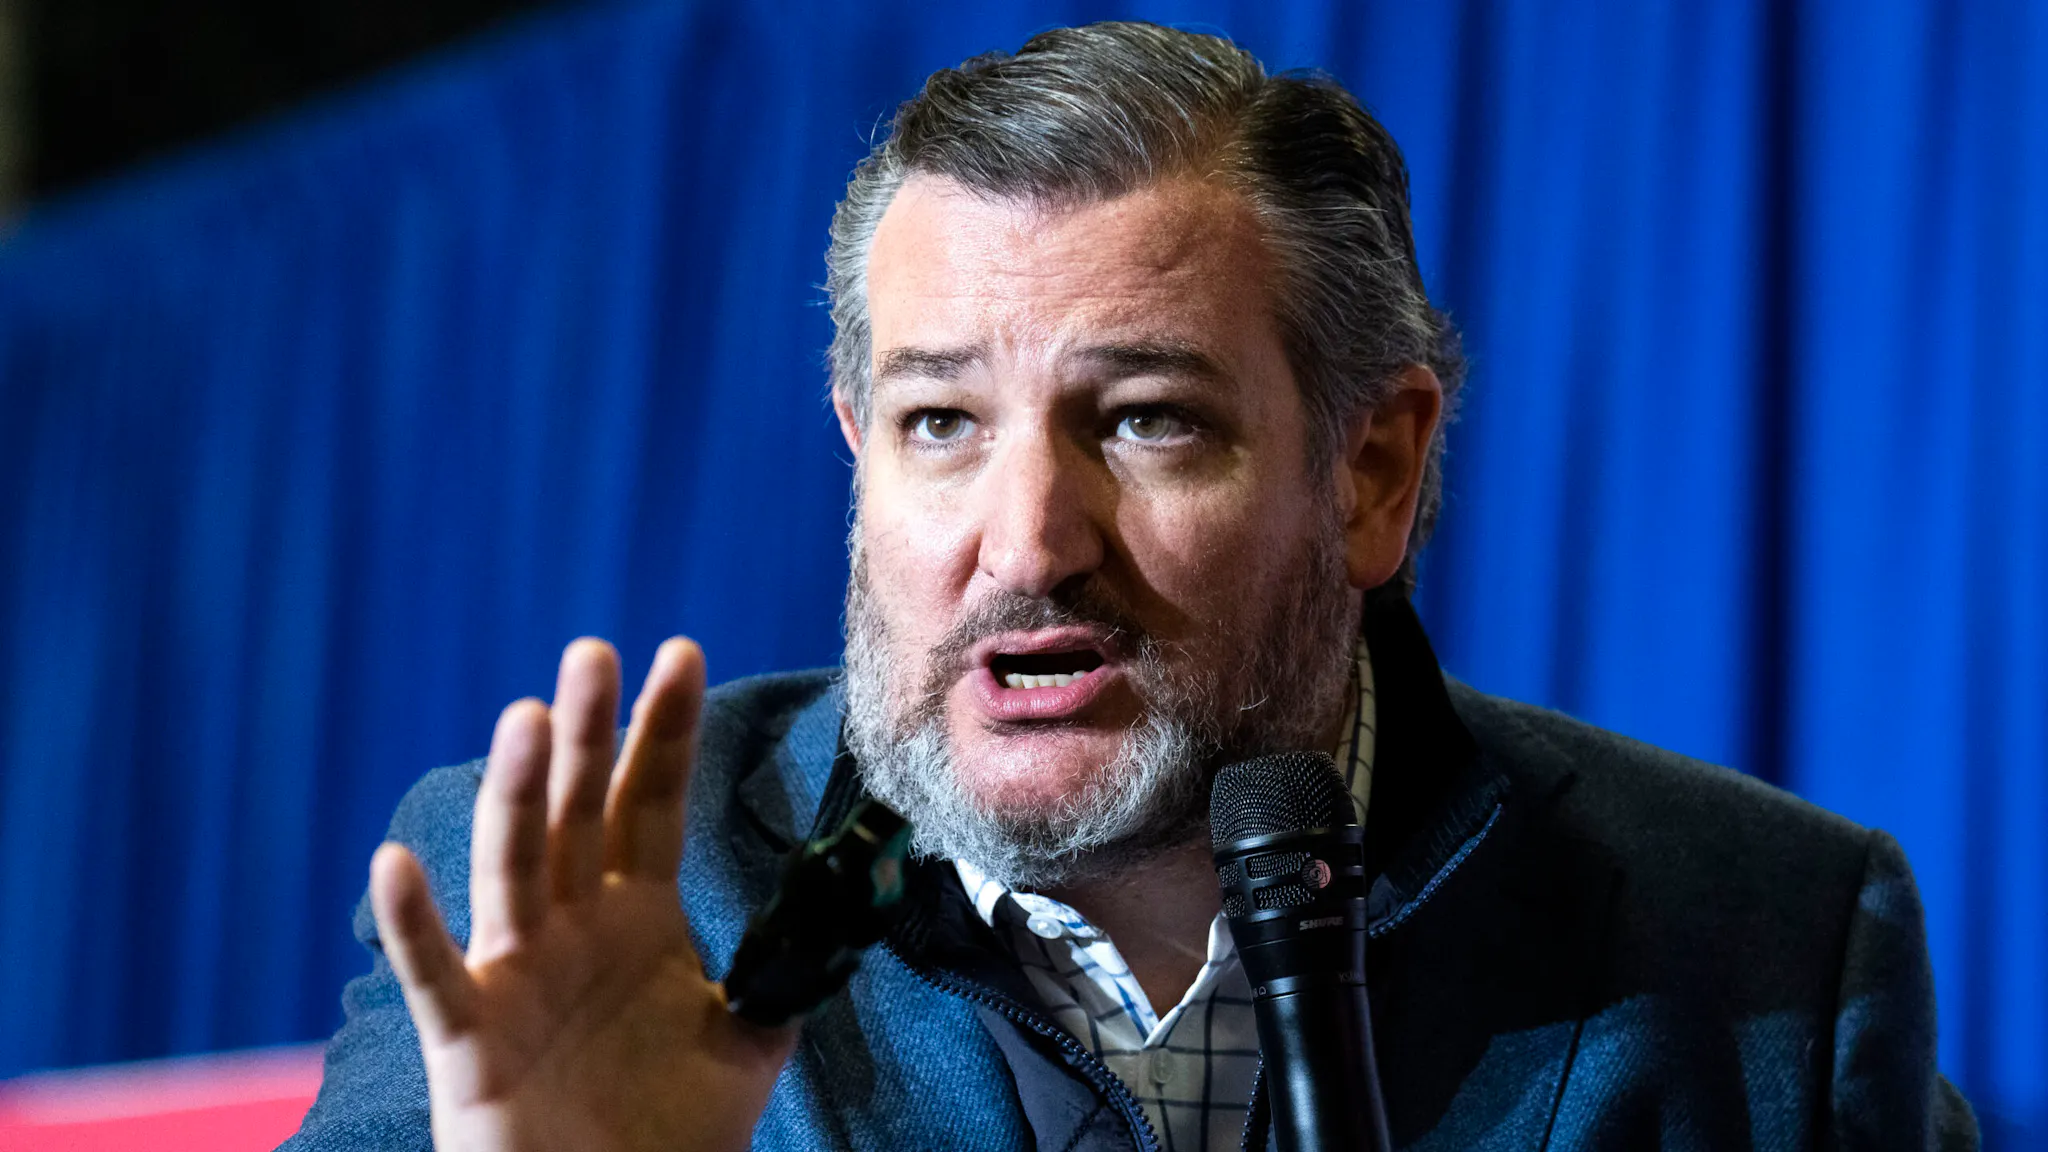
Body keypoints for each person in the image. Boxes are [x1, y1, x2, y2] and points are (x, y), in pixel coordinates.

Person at [282, 22, 1978, 1152]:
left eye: (1148, 420)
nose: (1025, 541)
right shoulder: (606, 906)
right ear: (855, 450)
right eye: (940, 421)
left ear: (1373, 468)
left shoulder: (1766, 952)